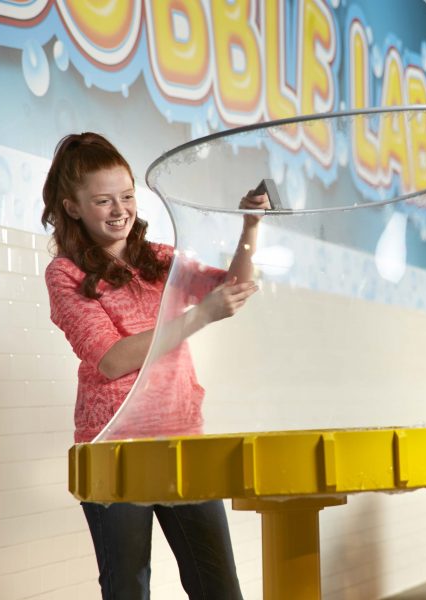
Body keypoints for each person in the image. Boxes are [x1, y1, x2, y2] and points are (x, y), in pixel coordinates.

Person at [41, 132, 268, 599]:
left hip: (181, 440)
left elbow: (235, 287)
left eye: (127, 196)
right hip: (113, 449)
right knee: (128, 588)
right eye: (103, 200)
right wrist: (200, 316)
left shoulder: (160, 260)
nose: (120, 209)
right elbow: (111, 359)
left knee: (219, 587)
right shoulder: (64, 273)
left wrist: (250, 226)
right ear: (72, 207)